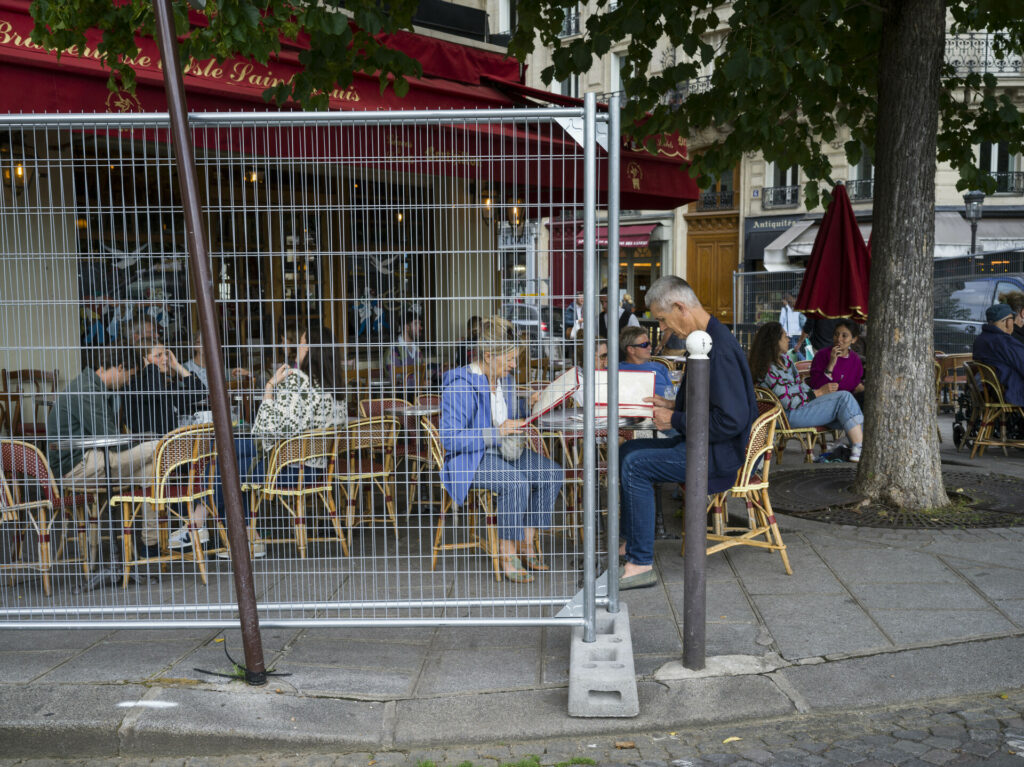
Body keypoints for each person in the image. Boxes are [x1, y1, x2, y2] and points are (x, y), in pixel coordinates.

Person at [617, 276, 757, 590]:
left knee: (635, 464)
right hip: (707, 445)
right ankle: (630, 544)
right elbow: (711, 402)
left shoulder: (716, 349)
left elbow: (731, 420)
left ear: (681, 307)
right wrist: (671, 404)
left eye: (664, 320)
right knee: (627, 452)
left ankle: (640, 563)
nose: (664, 329)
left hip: (716, 455)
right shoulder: (709, 338)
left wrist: (676, 419)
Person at [439, 317, 563, 583]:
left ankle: (525, 544)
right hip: (471, 459)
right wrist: (496, 433)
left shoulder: (501, 380)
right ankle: (507, 553)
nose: (514, 365)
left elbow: (502, 417)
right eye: (509, 359)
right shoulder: (460, 386)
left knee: (551, 473)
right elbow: (450, 439)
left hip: (503, 452)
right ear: (488, 355)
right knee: (515, 483)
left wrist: (528, 407)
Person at [45, 346, 163, 558]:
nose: (128, 382)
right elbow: (111, 439)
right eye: (129, 375)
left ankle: (150, 545)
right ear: (119, 367)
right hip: (78, 465)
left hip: (90, 458)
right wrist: (142, 440)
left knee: (152, 469)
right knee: (158, 446)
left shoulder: (92, 385)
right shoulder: (88, 389)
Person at [750, 321, 865, 461]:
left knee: (855, 409)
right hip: (785, 415)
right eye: (785, 336)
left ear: (854, 339)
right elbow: (788, 401)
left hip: (802, 407)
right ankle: (859, 449)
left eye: (844, 336)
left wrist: (816, 395)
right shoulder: (769, 368)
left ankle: (858, 448)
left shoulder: (786, 362)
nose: (788, 339)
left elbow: (802, 386)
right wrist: (818, 393)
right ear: (774, 341)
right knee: (844, 398)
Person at [125, 343, 208, 436]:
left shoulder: (166, 385)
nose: (165, 358)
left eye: (165, 354)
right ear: (143, 360)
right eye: (158, 355)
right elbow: (155, 392)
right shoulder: (134, 385)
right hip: (149, 444)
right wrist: (151, 368)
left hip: (170, 443)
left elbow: (200, 392)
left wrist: (177, 366)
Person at [972, 303, 1024, 407]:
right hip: (1011, 391)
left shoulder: (981, 339)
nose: (1013, 322)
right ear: (1007, 322)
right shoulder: (1005, 342)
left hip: (989, 390)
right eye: (1012, 318)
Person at [808, 319, 866, 404]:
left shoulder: (855, 360)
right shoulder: (821, 355)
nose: (839, 339)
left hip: (847, 404)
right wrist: (831, 363)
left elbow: (856, 385)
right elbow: (815, 386)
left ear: (853, 339)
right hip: (824, 403)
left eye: (844, 336)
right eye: (836, 334)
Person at [618, 326, 674, 397]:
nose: (650, 347)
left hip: (663, 406)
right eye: (644, 345)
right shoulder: (615, 370)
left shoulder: (660, 367)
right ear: (631, 349)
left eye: (649, 344)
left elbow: (672, 395)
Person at [183, 338, 251, 390]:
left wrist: (247, 374)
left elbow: (229, 383)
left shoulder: (218, 366)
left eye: (206, 341)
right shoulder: (186, 367)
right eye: (199, 342)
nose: (203, 344)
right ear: (194, 346)